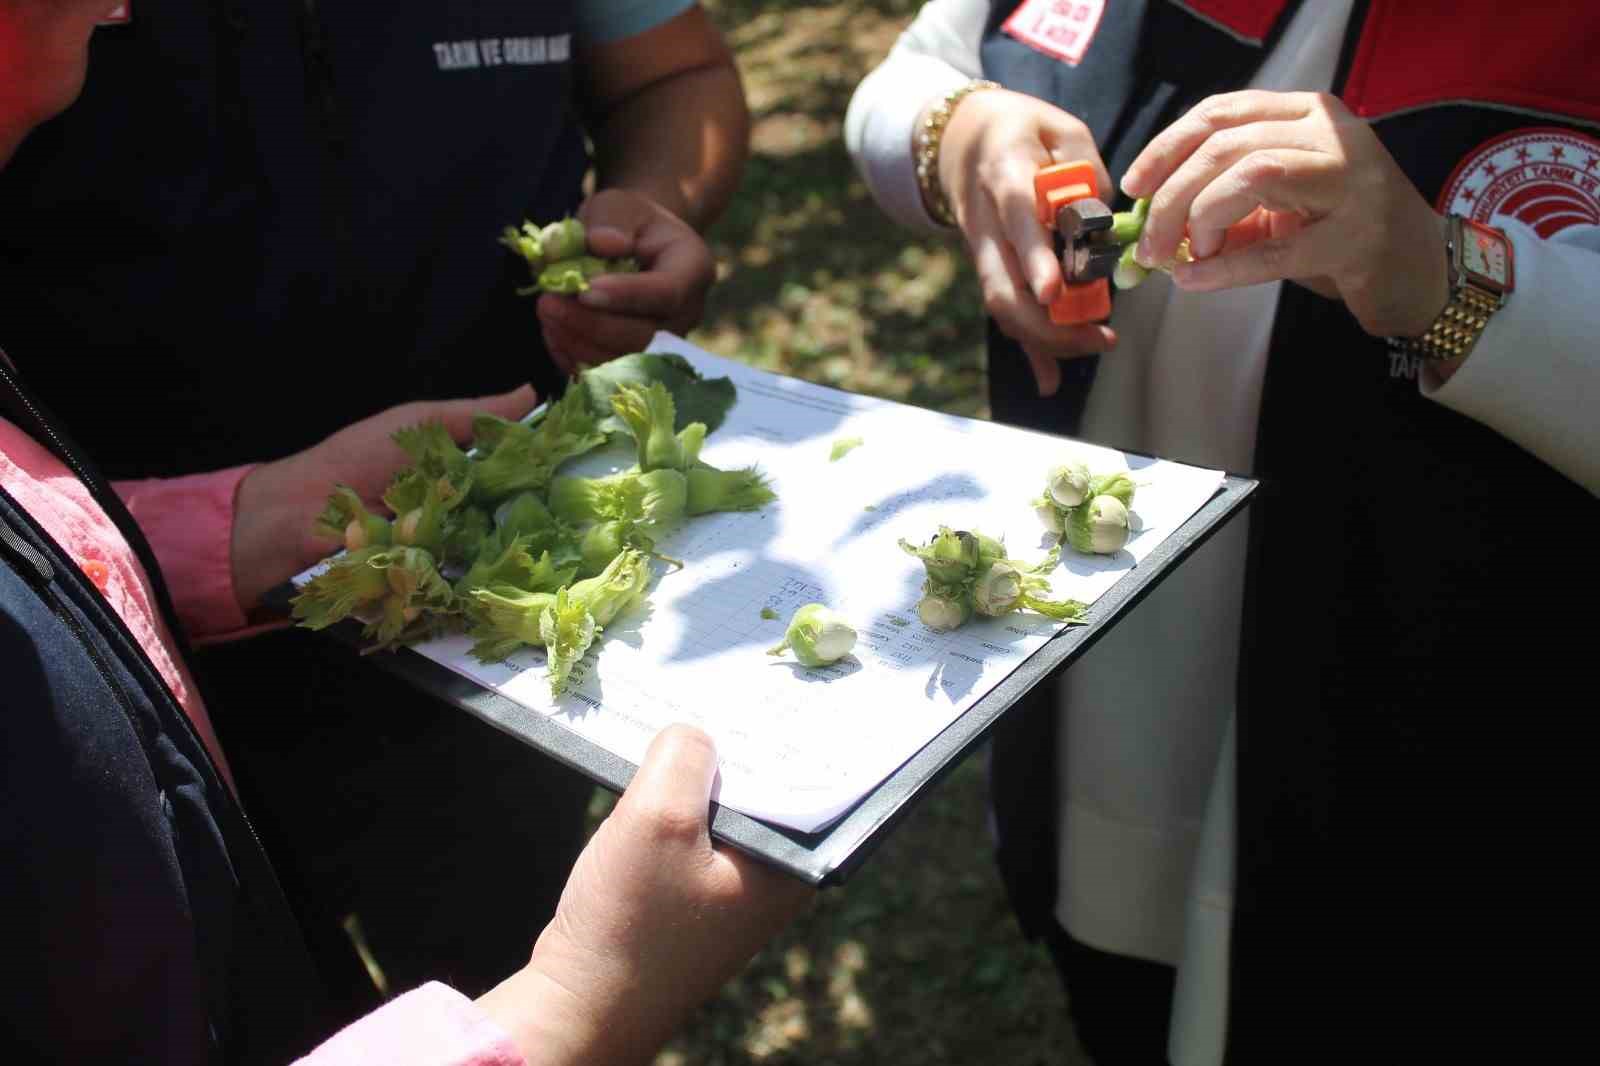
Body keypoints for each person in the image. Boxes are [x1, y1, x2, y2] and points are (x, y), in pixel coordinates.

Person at [2, 16, 804, 1061]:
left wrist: (231, 529)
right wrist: (567, 1011)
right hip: (161, 700)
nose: (115, 9)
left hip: (470, 628)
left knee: (477, 927)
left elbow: (675, 69)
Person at [847, 1, 1600, 1062]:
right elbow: (907, 82)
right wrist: (959, 136)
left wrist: (1447, 279)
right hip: (1110, 715)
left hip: (1432, 783)